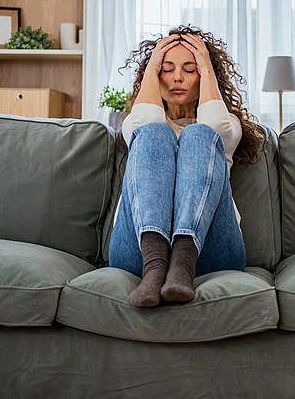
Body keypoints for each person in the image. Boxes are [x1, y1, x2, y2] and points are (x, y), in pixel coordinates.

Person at [108, 25, 263, 308]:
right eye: (166, 69)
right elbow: (145, 124)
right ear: (154, 76)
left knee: (199, 134)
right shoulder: (138, 127)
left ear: (205, 76)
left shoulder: (226, 127)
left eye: (190, 69)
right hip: (137, 254)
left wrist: (206, 63)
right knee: (154, 133)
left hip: (210, 252)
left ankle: (182, 263)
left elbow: (213, 126)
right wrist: (153, 60)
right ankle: (155, 268)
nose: (177, 77)